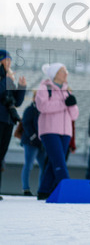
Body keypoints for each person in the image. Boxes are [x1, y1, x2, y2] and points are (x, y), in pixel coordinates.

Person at [35, 63, 79, 200]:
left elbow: (74, 115)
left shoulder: (67, 91)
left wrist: (72, 104)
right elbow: (42, 107)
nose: (66, 73)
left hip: (66, 132)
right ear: (55, 74)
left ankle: (44, 191)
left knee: (54, 161)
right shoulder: (44, 88)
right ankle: (68, 190)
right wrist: (64, 104)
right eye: (63, 71)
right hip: (49, 130)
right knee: (59, 161)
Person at [1, 50, 27, 199]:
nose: (9, 62)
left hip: (8, 121)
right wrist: (7, 79)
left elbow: (16, 102)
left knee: (1, 155)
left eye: (10, 60)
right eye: (6, 60)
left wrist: (21, 87)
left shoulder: (8, 78)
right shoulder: (5, 78)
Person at [20, 92, 46, 196]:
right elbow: (26, 124)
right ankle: (26, 188)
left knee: (44, 166)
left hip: (41, 143)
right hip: (31, 142)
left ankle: (42, 188)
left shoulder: (43, 110)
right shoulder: (30, 109)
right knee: (29, 164)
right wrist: (33, 136)